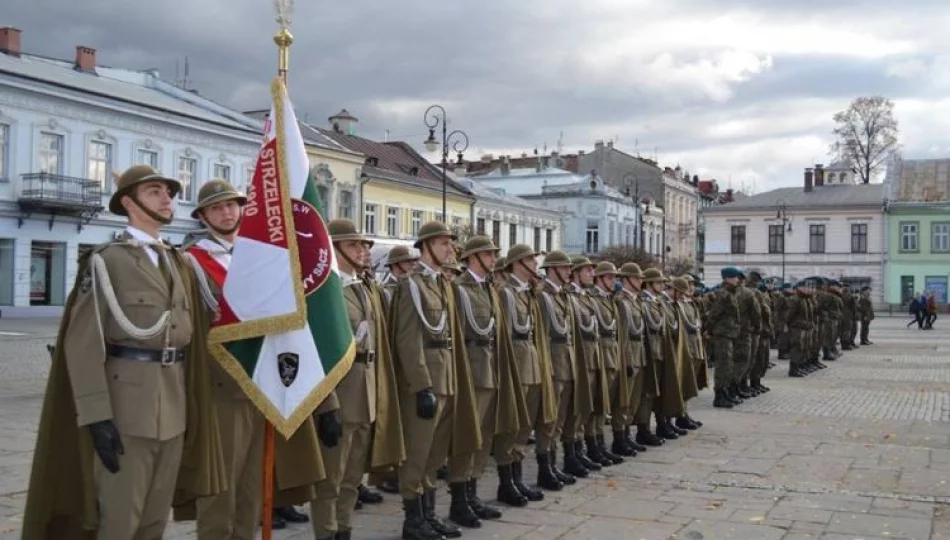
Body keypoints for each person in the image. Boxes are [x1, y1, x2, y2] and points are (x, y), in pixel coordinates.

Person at [22, 165, 225, 539]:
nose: (167, 199)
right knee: (119, 518)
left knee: (153, 519)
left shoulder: (177, 261)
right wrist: (97, 416)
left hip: (174, 409)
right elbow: (82, 345)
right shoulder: (106, 260)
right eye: (154, 192)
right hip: (127, 410)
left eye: (168, 191)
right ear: (129, 203)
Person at [310, 219, 404, 540]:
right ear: (333, 249)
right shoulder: (324, 291)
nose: (363, 251)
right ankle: (326, 533)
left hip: (366, 393)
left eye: (365, 245)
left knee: (352, 477)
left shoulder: (365, 288)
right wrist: (326, 405)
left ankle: (344, 530)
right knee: (330, 480)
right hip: (339, 394)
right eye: (354, 245)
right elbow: (318, 351)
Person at [390, 221, 480, 540]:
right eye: (443, 244)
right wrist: (421, 385)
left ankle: (428, 514)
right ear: (425, 246)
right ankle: (412, 520)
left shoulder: (441, 285)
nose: (450, 249)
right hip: (426, 383)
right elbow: (407, 339)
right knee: (417, 453)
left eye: (450, 244)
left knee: (434, 454)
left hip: (446, 380)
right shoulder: (411, 285)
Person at [536, 251, 587, 479]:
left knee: (562, 417)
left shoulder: (561, 295)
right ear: (553, 269)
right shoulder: (542, 295)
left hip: (567, 361)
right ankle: (544, 468)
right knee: (549, 418)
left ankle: (555, 464)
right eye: (565, 267)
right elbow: (542, 334)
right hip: (554, 363)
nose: (569, 271)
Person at [706, 267, 743, 408]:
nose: (737, 280)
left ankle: (725, 392)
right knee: (723, 365)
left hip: (729, 333)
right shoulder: (723, 294)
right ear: (727, 278)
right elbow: (714, 314)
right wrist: (708, 330)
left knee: (728, 365)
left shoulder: (730, 293)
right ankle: (719, 396)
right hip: (722, 334)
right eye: (734, 277)